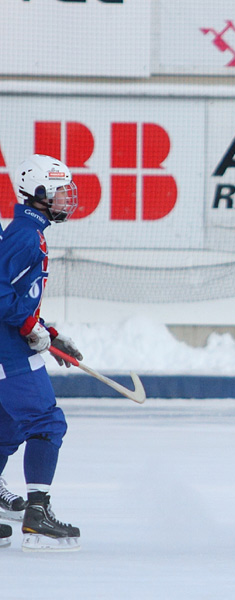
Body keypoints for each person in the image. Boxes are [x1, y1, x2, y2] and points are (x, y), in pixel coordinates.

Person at [0, 154, 83, 552]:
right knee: (47, 423)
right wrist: (29, 327)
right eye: (60, 192)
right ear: (38, 193)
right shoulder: (24, 235)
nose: (68, 199)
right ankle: (37, 514)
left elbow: (20, 296)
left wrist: (49, 333)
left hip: (12, 346)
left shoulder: (31, 232)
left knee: (6, 430)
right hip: (9, 354)